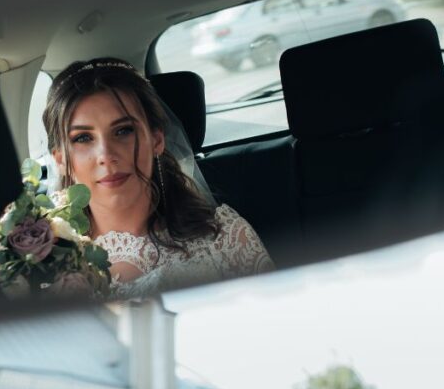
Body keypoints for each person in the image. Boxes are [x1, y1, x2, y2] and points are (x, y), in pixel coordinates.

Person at [43, 57, 275, 298]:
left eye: (123, 131)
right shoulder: (42, 264)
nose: (106, 156)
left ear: (156, 140)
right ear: (60, 160)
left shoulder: (225, 237)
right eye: (82, 138)